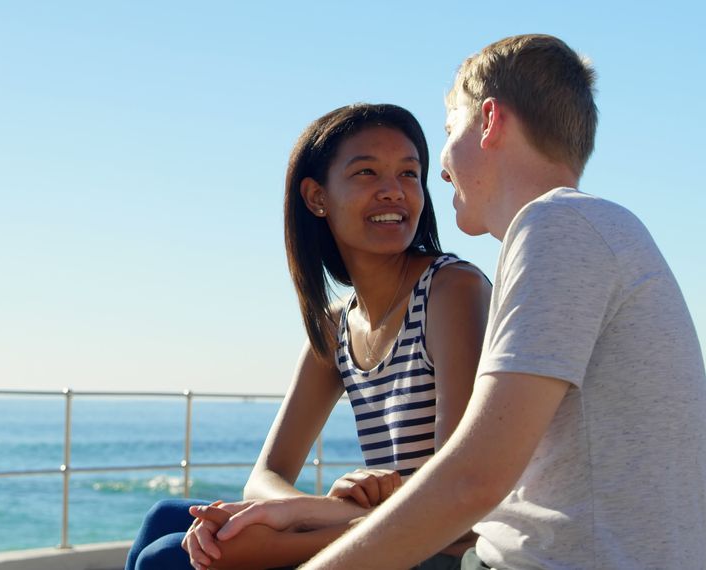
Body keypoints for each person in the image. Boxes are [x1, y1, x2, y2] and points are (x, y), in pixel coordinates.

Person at [224, 34, 706, 570]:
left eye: (451, 129)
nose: (442, 168)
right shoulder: (580, 228)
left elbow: (472, 481)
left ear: (490, 120)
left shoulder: (558, 226)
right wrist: (304, 515)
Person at [125, 103, 491, 570]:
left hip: (441, 546)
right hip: (383, 525)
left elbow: (460, 499)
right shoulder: (336, 325)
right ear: (317, 197)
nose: (393, 192)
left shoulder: (451, 290)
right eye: (366, 173)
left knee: (169, 558)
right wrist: (310, 511)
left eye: (408, 173)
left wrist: (301, 525)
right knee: (162, 519)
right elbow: (266, 477)